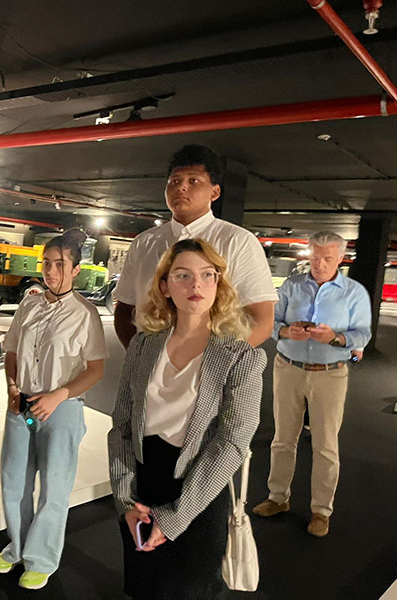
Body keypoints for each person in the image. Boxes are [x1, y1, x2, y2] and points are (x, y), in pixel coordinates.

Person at [109, 238, 265, 600]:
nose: (196, 284)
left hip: (199, 493)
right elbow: (121, 427)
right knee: (142, 588)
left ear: (218, 284)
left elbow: (232, 441)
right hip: (142, 489)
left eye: (207, 275)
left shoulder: (240, 357)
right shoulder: (143, 346)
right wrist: (125, 500)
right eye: (183, 275)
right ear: (165, 286)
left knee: (187, 591)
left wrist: (175, 517)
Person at [0, 229, 107, 591]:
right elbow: (11, 350)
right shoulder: (29, 305)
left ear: (76, 270)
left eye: (60, 264)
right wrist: (12, 386)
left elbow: (95, 369)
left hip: (62, 409)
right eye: (47, 263)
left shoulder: (85, 313)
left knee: (54, 488)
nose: (51, 271)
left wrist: (58, 395)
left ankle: (41, 558)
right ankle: (17, 546)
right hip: (21, 404)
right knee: (14, 482)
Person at [252, 231, 371, 537]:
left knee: (326, 445)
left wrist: (336, 338)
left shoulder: (354, 293)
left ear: (341, 258)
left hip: (330, 373)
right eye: (315, 257)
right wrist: (286, 332)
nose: (319, 264)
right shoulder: (292, 285)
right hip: (288, 367)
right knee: (283, 438)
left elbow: (363, 334)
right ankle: (278, 497)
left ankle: (321, 511)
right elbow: (271, 323)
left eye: (327, 258)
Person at [113, 144, 277, 349]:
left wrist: (218, 361)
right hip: (150, 363)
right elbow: (125, 309)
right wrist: (138, 355)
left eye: (193, 181)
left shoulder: (237, 241)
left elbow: (262, 319)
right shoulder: (144, 243)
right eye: (174, 181)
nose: (181, 187)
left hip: (214, 362)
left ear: (215, 192)